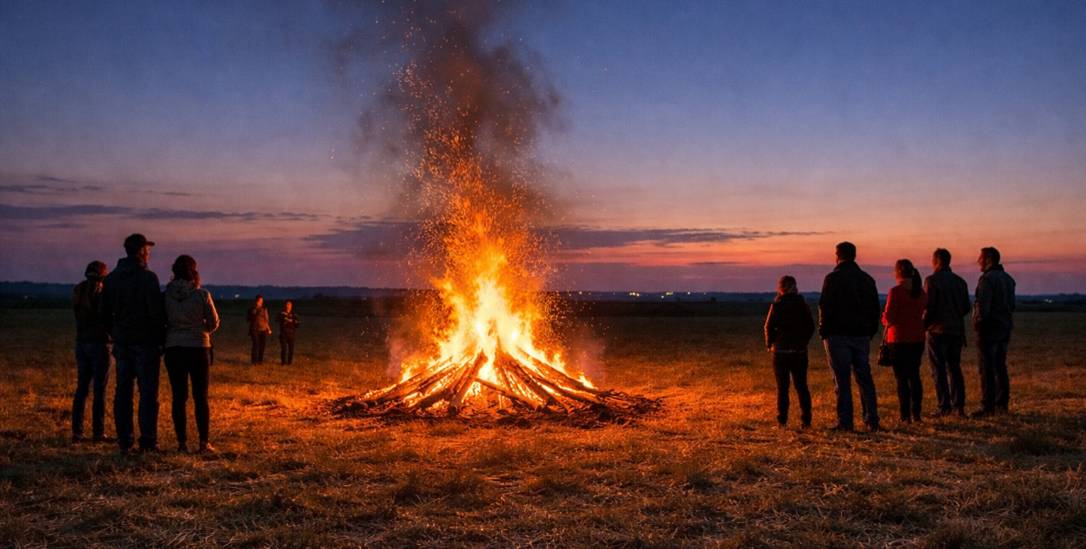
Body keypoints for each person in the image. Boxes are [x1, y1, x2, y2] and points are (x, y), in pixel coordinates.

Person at [101, 233, 165, 453]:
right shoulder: (148, 278)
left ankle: (125, 439)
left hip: (122, 342)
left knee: (123, 392)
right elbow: (156, 313)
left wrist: (116, 333)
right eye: (147, 250)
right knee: (148, 394)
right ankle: (148, 440)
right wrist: (159, 340)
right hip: (146, 343)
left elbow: (104, 314)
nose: (149, 254)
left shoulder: (111, 280)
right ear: (140, 251)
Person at [819, 242, 881, 432]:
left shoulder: (832, 278)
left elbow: (825, 306)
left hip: (837, 335)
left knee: (841, 380)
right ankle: (871, 419)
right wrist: (869, 330)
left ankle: (845, 421)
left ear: (837, 256)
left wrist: (824, 330)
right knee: (864, 378)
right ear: (854, 256)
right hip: (861, 335)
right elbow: (875, 309)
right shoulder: (867, 279)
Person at [163, 255, 220, 453]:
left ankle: (182, 443)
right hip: (198, 347)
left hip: (173, 348)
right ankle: (204, 442)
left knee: (179, 397)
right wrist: (200, 330)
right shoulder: (202, 294)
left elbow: (162, 321)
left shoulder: (166, 295)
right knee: (200, 396)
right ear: (194, 272)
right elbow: (213, 322)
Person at [924, 248, 971, 417]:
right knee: (955, 368)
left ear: (936, 261)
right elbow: (966, 306)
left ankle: (944, 405)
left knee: (938, 369)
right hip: (956, 331)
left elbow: (929, 307)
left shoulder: (932, 280)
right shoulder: (960, 282)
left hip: (936, 330)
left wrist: (924, 324)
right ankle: (959, 406)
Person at [764, 276, 815, 428]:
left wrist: (770, 344)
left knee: (782, 388)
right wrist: (803, 341)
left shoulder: (777, 305)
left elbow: (768, 326)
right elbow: (810, 326)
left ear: (781, 288)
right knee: (801, 386)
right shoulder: (802, 305)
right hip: (799, 351)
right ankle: (806, 420)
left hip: (780, 352)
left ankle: (782, 420)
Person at [71, 260, 112, 443]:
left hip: (82, 344)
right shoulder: (102, 294)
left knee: (82, 389)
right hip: (100, 344)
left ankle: (77, 432)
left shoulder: (79, 292)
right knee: (99, 390)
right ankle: (98, 432)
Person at [972, 247, 1016, 417]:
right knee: (1000, 366)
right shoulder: (1008, 279)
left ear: (989, 259)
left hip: (989, 329)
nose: (978, 261)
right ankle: (1002, 404)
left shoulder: (987, 280)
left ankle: (987, 406)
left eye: (980, 258)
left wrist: (979, 325)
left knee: (987, 368)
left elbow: (983, 307)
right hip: (1004, 327)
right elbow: (1012, 305)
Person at [882, 259, 927, 424]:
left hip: (898, 339)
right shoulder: (921, 293)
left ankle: (905, 415)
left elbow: (890, 319)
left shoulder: (896, 292)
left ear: (898, 273)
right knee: (914, 376)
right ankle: (917, 413)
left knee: (901, 379)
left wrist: (884, 318)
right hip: (917, 339)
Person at [247, 295, 271, 364]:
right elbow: (248, 319)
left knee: (262, 346)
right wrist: (253, 314)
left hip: (263, 329)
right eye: (259, 301)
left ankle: (260, 360)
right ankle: (254, 361)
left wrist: (268, 328)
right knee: (256, 344)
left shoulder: (264, 309)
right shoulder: (252, 309)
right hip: (254, 329)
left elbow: (266, 320)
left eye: (261, 301)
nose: (260, 302)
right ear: (256, 301)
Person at [278, 300, 300, 365]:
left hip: (291, 333)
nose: (288, 306)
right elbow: (276, 319)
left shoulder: (294, 314)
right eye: (287, 304)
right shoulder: (281, 313)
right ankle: (283, 362)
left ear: (291, 306)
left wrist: (293, 321)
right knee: (284, 349)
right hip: (283, 334)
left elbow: (297, 324)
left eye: (289, 305)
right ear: (285, 305)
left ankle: (289, 363)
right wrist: (284, 318)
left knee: (291, 350)